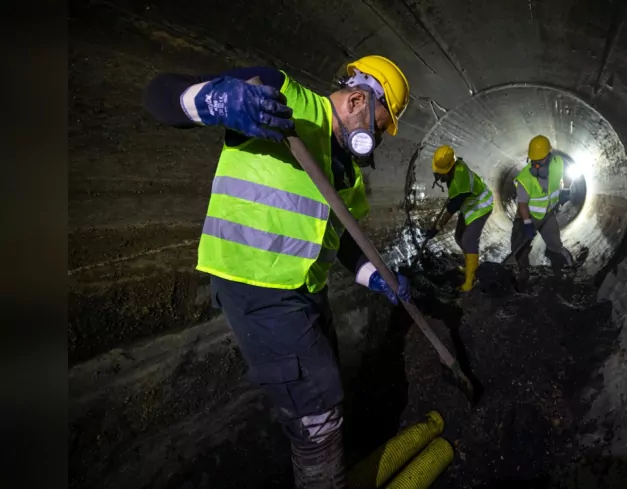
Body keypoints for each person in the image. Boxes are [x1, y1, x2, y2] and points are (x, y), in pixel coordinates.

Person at [143, 55, 412, 488]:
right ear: (359, 99)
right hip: (256, 286)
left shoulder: (348, 175)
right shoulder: (278, 96)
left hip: (305, 291)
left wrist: (375, 277)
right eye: (379, 127)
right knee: (317, 409)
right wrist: (215, 101)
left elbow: (342, 241)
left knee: (325, 385)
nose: (377, 139)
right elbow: (159, 94)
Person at [425, 145, 494, 291]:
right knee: (458, 237)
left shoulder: (460, 180)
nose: (439, 177)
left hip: (481, 205)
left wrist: (436, 228)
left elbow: (451, 209)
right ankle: (471, 266)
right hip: (469, 206)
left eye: (441, 174)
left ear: (449, 169)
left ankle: (471, 281)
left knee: (469, 241)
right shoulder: (455, 165)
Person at [510, 135, 575, 282]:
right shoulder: (525, 178)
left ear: (549, 155)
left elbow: (568, 175)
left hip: (547, 214)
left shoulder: (558, 163)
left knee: (555, 245)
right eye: (534, 161)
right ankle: (523, 274)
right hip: (526, 216)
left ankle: (565, 271)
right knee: (519, 247)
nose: (537, 165)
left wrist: (565, 190)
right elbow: (522, 205)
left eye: (540, 160)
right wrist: (527, 224)